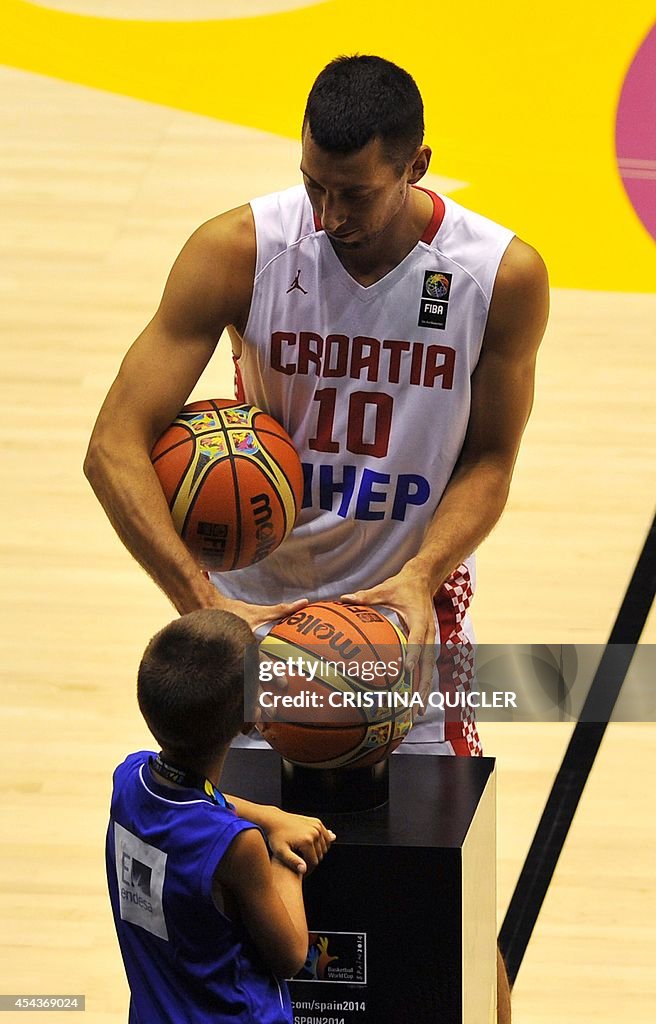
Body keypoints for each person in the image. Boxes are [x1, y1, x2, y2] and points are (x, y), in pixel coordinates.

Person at [89, 55, 549, 1022]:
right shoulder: (241, 249)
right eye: (313, 186)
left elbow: (494, 458)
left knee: (454, 904)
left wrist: (425, 574)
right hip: (256, 617)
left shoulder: (495, 275)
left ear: (420, 164)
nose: (328, 215)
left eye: (356, 195)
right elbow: (112, 448)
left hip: (396, 616)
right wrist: (205, 604)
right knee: (239, 896)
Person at [106, 608, 335, 1023]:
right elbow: (290, 956)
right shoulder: (237, 845)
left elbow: (194, 798)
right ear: (250, 720)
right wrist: (286, 859)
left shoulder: (128, 780)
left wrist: (269, 815)